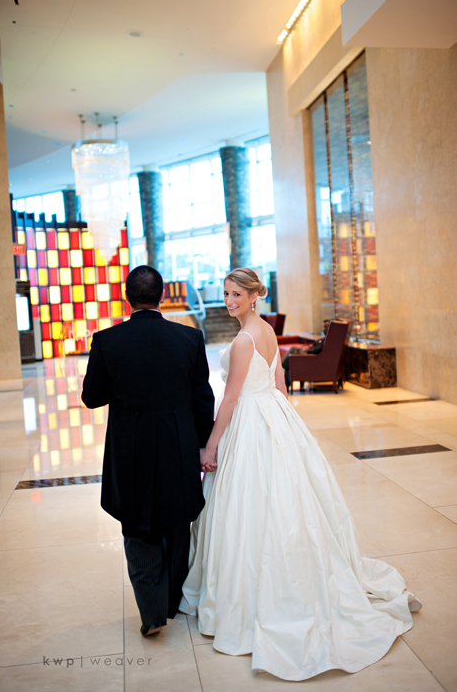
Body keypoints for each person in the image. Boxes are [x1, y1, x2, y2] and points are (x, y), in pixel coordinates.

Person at [179, 268, 422, 681]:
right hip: (272, 413)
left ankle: (254, 593)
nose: (230, 301)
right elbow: (279, 384)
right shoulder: (267, 331)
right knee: (285, 499)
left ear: (254, 296)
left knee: (251, 505)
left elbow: (232, 399)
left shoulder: (244, 339)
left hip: (251, 418)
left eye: (237, 294)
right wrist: (288, 428)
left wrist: (212, 445)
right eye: (226, 293)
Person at [81, 265, 215, 637]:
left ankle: (152, 612)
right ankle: (172, 603)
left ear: (127, 298)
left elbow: (92, 397)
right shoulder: (189, 338)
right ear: (162, 296)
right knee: (178, 523)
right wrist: (203, 445)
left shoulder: (107, 340)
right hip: (178, 445)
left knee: (138, 528)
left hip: (130, 448)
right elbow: (202, 400)